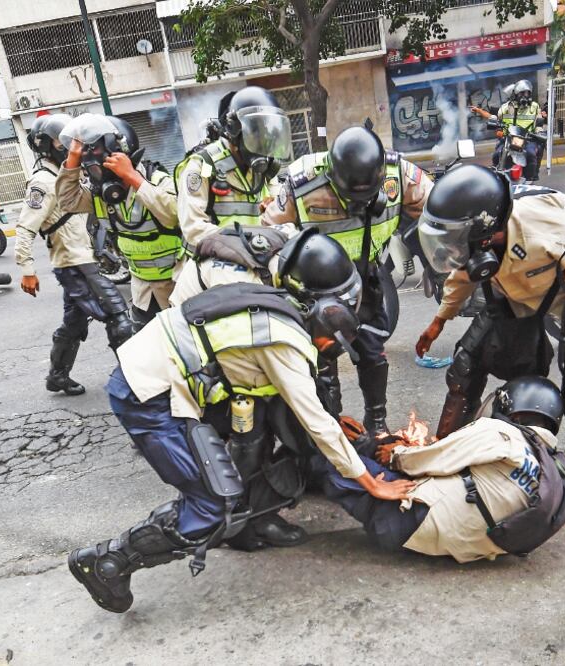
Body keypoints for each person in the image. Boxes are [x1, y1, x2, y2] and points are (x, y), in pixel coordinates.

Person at [67, 232, 415, 614]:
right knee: (211, 505)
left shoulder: (269, 297)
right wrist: (370, 483)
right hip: (149, 395)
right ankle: (107, 561)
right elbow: (318, 423)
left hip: (168, 375)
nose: (328, 348)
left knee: (252, 439)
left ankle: (250, 523)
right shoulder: (282, 340)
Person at [414, 165, 565, 439]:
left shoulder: (546, 228)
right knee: (464, 366)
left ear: (485, 231)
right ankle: (448, 449)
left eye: (454, 236)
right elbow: (461, 277)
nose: (450, 245)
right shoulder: (476, 243)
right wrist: (439, 321)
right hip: (520, 298)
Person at [260, 126, 433, 433]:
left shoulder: (399, 174)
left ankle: (376, 423)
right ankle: (332, 427)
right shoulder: (303, 184)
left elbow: (437, 206)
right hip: (318, 288)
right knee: (322, 362)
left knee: (373, 352)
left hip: (367, 278)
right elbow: (267, 234)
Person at [321, 376, 565, 562]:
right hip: (470, 548)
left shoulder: (503, 434)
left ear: (512, 409)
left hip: (403, 525)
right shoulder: (550, 464)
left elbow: (426, 461)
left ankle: (291, 480)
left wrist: (392, 454)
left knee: (328, 454)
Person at [16, 114, 134, 396]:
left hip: (80, 260)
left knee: (74, 323)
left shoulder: (66, 174)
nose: (70, 148)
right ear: (46, 145)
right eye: (62, 142)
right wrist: (27, 269)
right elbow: (25, 226)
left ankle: (57, 376)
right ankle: (136, 382)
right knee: (118, 316)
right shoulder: (43, 182)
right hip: (74, 264)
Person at [54, 115, 183, 326]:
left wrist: (133, 177)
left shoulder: (157, 180)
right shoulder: (100, 194)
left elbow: (173, 214)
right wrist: (72, 160)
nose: (94, 167)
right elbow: (67, 201)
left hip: (178, 285)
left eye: (97, 152)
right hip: (144, 291)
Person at [172, 86, 290, 253]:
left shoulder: (264, 167)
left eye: (267, 133)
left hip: (255, 255)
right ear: (235, 132)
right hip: (212, 261)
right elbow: (193, 228)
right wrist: (248, 241)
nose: (264, 142)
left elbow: (282, 213)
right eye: (257, 133)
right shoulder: (203, 166)